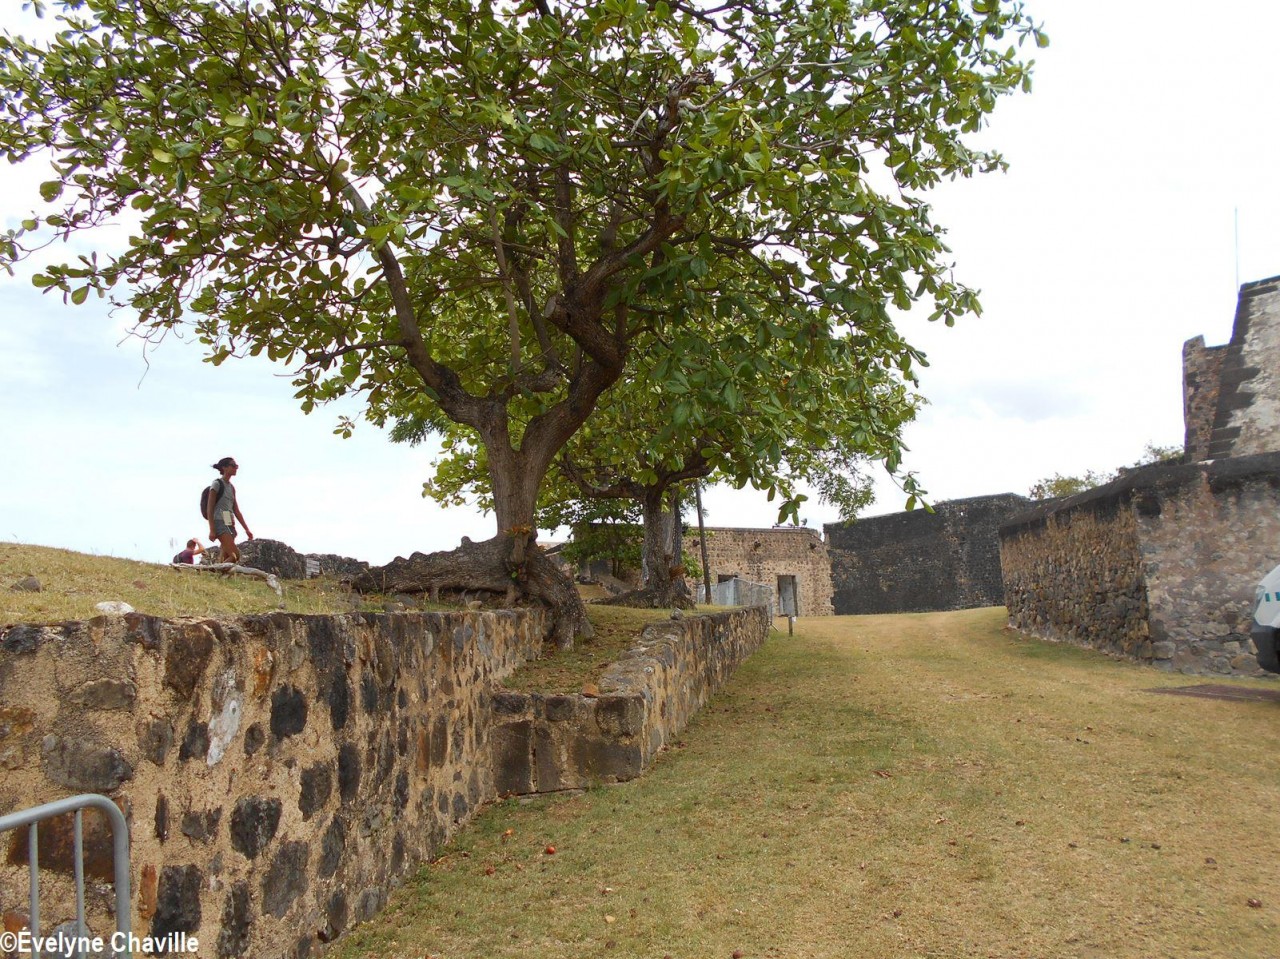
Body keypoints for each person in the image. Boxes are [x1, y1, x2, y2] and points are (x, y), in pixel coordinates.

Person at [206, 457, 253, 565]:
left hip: (228, 519)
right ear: (224, 468)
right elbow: (210, 508)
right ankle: (215, 571)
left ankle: (218, 572)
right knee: (235, 555)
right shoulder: (217, 484)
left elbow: (236, 510)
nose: (236, 468)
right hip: (219, 520)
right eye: (233, 465)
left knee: (226, 557)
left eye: (236, 466)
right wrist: (212, 529)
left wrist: (246, 529)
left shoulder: (231, 487)